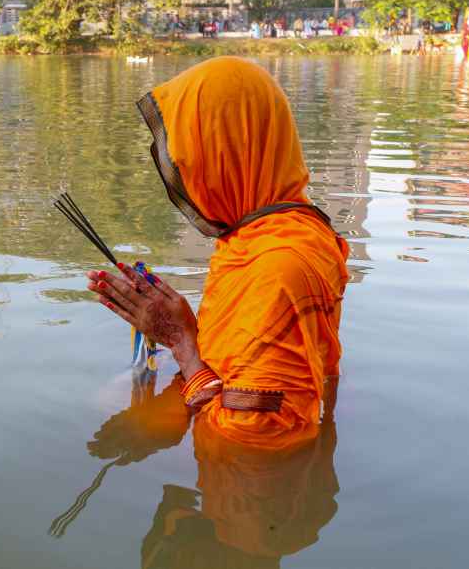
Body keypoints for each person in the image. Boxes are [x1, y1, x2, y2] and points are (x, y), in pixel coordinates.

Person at [87, 57, 349, 446]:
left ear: (228, 155)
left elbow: (249, 447)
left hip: (248, 498)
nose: (186, 180)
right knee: (108, 400)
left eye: (191, 160)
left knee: (97, 409)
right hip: (255, 444)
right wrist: (172, 323)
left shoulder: (277, 267)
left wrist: (181, 342)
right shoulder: (283, 229)